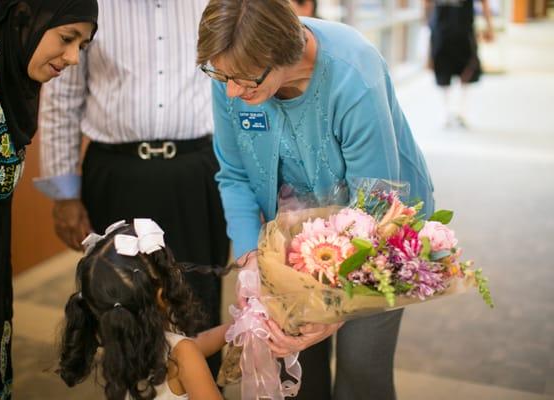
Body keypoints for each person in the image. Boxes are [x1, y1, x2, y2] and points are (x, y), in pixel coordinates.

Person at [196, 0, 435, 399]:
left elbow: (375, 204)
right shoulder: (233, 69)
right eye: (222, 76)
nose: (232, 92)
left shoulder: (353, 75)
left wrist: (335, 310)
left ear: (281, 56)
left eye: (246, 82)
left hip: (378, 231)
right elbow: (235, 175)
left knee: (362, 369)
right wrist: (251, 261)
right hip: (292, 232)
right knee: (297, 368)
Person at [34, 0, 229, 375]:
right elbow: (63, 98)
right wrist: (65, 195)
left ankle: (201, 388)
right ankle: (129, 386)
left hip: (196, 171)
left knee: (198, 299)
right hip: (116, 172)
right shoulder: (90, 6)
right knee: (120, 302)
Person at [0, 0, 98, 398]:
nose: (72, 58)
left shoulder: (8, 75)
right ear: (24, 19)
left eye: (82, 47)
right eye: (67, 38)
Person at [58, 219, 228, 400]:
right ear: (161, 296)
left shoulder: (122, 346)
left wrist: (232, 330)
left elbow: (192, 345)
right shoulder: (183, 354)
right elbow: (187, 351)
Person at [427, 0, 494, 129]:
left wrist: (489, 26)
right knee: (442, 72)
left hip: (463, 31)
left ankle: (461, 111)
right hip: (441, 30)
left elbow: (484, 3)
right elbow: (426, 4)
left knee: (467, 70)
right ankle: (446, 111)